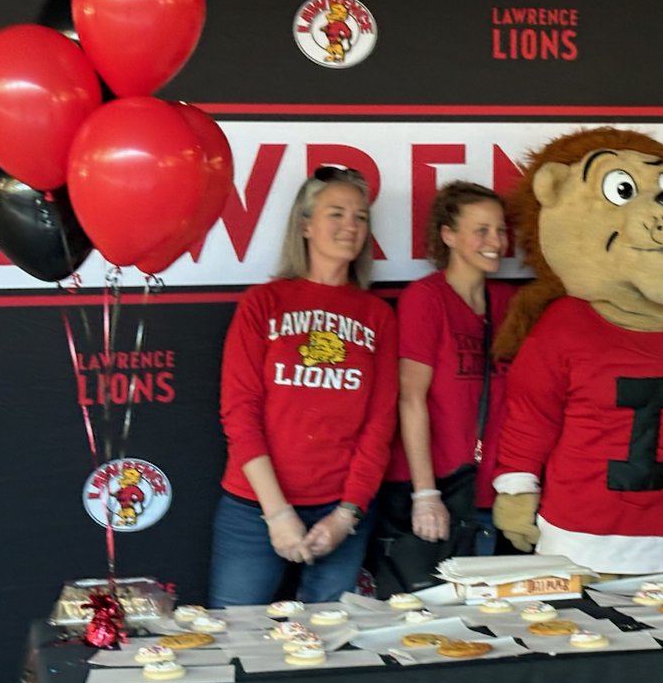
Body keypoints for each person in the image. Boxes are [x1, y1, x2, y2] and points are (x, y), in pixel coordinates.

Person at [209, 165, 398, 606]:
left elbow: (379, 425)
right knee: (236, 642)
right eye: (336, 213)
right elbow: (240, 412)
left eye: (360, 217)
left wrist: (346, 516)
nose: (350, 226)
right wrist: (276, 514)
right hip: (253, 508)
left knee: (332, 649)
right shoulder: (264, 303)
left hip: (340, 511)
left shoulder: (377, 316)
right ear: (306, 225)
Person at [390, 181, 513, 556]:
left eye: (501, 230)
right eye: (481, 231)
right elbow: (411, 398)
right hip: (443, 493)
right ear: (448, 235)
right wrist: (426, 494)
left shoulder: (509, 302)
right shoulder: (426, 299)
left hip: (496, 495)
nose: (496, 240)